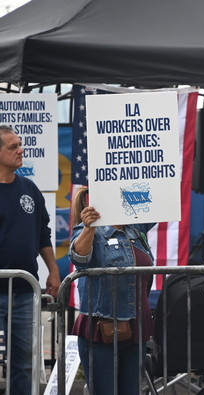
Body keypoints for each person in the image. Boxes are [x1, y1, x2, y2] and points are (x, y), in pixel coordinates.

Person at [69, 187, 155, 394]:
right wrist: (90, 227)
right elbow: (78, 258)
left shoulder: (135, 229)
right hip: (101, 329)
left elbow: (160, 199)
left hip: (137, 329)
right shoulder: (88, 230)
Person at [0, 125, 60, 395]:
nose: (21, 150)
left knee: (24, 364)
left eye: (20, 144)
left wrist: (53, 271)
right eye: (13, 147)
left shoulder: (29, 188)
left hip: (25, 291)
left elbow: (43, 233)